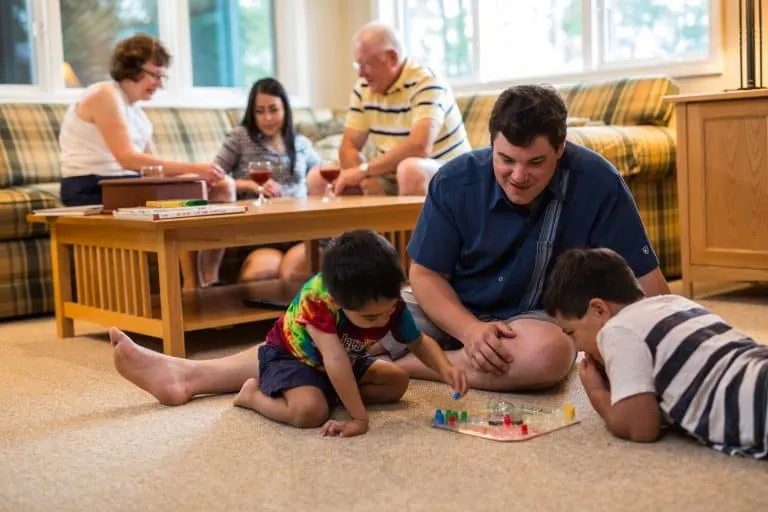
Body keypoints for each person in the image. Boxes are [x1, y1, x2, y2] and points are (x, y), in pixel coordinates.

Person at [384, 83, 671, 392]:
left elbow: (643, 280)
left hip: (531, 320)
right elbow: (425, 275)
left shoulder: (598, 182)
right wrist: (470, 330)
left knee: (550, 355)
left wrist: (673, 340)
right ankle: (406, 359)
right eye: (506, 160)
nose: (518, 177)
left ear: (560, 149)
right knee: (355, 325)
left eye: (535, 162)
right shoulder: (453, 181)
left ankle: (409, 367)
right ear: (491, 143)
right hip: (450, 307)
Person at [110, 229, 468, 438]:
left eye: (390, 308)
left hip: (342, 361)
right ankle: (253, 397)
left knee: (396, 382)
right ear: (340, 303)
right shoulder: (319, 299)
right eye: (371, 315)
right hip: (293, 358)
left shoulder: (385, 301)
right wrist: (358, 418)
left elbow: (419, 343)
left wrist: (446, 369)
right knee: (308, 413)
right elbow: (335, 361)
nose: (384, 317)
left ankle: (325, 395)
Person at [541, 247, 768, 459]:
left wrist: (596, 390)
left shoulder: (616, 330)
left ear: (599, 310)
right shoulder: (674, 302)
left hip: (750, 397)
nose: (577, 347)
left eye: (571, 332)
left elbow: (640, 426)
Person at [58, 33, 235, 290]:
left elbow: (152, 168)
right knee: (194, 187)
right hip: (90, 186)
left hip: (125, 184)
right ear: (130, 68)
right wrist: (196, 169)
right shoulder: (104, 95)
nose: (159, 84)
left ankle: (209, 280)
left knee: (222, 186)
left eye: (162, 76)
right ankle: (190, 285)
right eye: (155, 75)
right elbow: (129, 158)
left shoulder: (138, 113)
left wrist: (204, 175)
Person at [306, 21, 470, 197]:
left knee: (410, 170)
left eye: (366, 65)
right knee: (317, 178)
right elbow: (349, 146)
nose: (359, 73)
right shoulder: (363, 88)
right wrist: (365, 180)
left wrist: (364, 171)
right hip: (391, 176)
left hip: (451, 174)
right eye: (357, 65)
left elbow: (419, 147)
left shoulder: (427, 82)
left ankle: (418, 226)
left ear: (392, 58)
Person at [214, 77, 325, 283]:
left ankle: (295, 316)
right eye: (260, 111)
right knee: (259, 275)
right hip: (260, 233)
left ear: (285, 110)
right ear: (252, 113)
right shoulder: (240, 137)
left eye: (274, 110)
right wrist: (251, 185)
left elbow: (324, 171)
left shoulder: (300, 143)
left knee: (292, 275)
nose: (267, 118)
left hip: (299, 230)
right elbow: (214, 178)